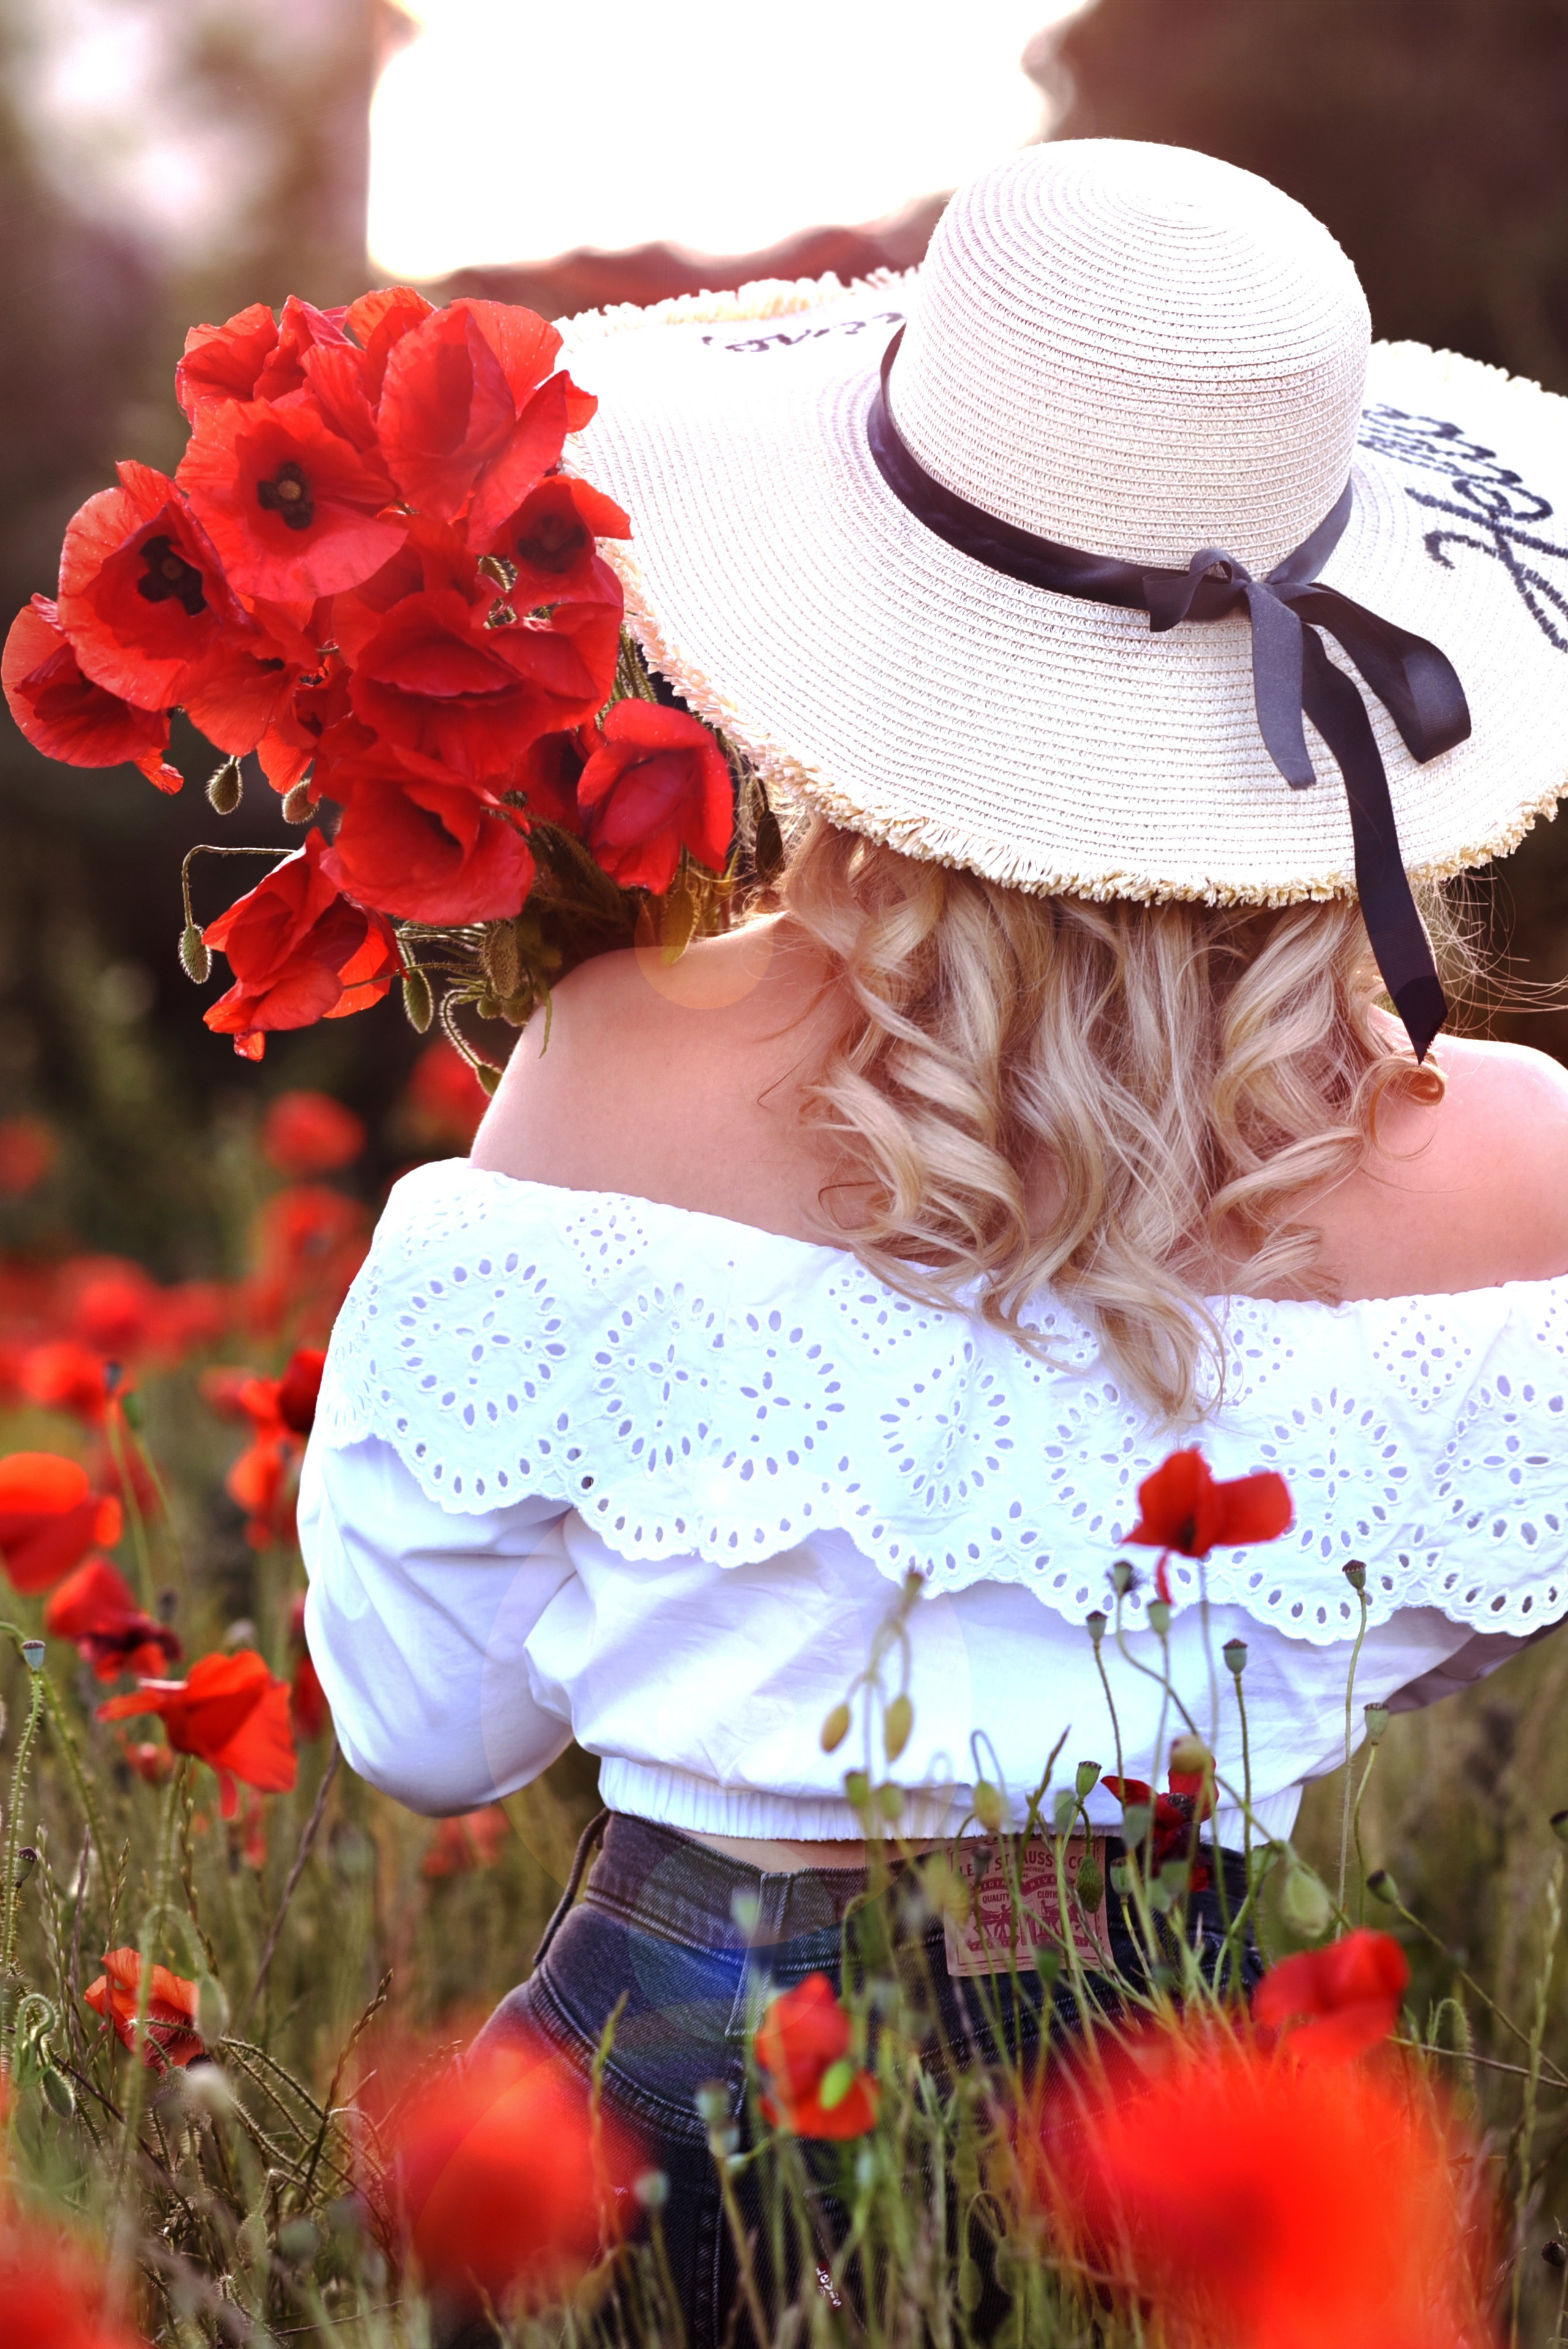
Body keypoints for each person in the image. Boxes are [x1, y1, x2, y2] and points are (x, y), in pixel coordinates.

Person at [299, 139, 1568, 2338]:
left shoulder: (612, 1064)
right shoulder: (1524, 1165)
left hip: (669, 2059)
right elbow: (1417, 1633)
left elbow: (427, 1728)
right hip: (1186, 2108)